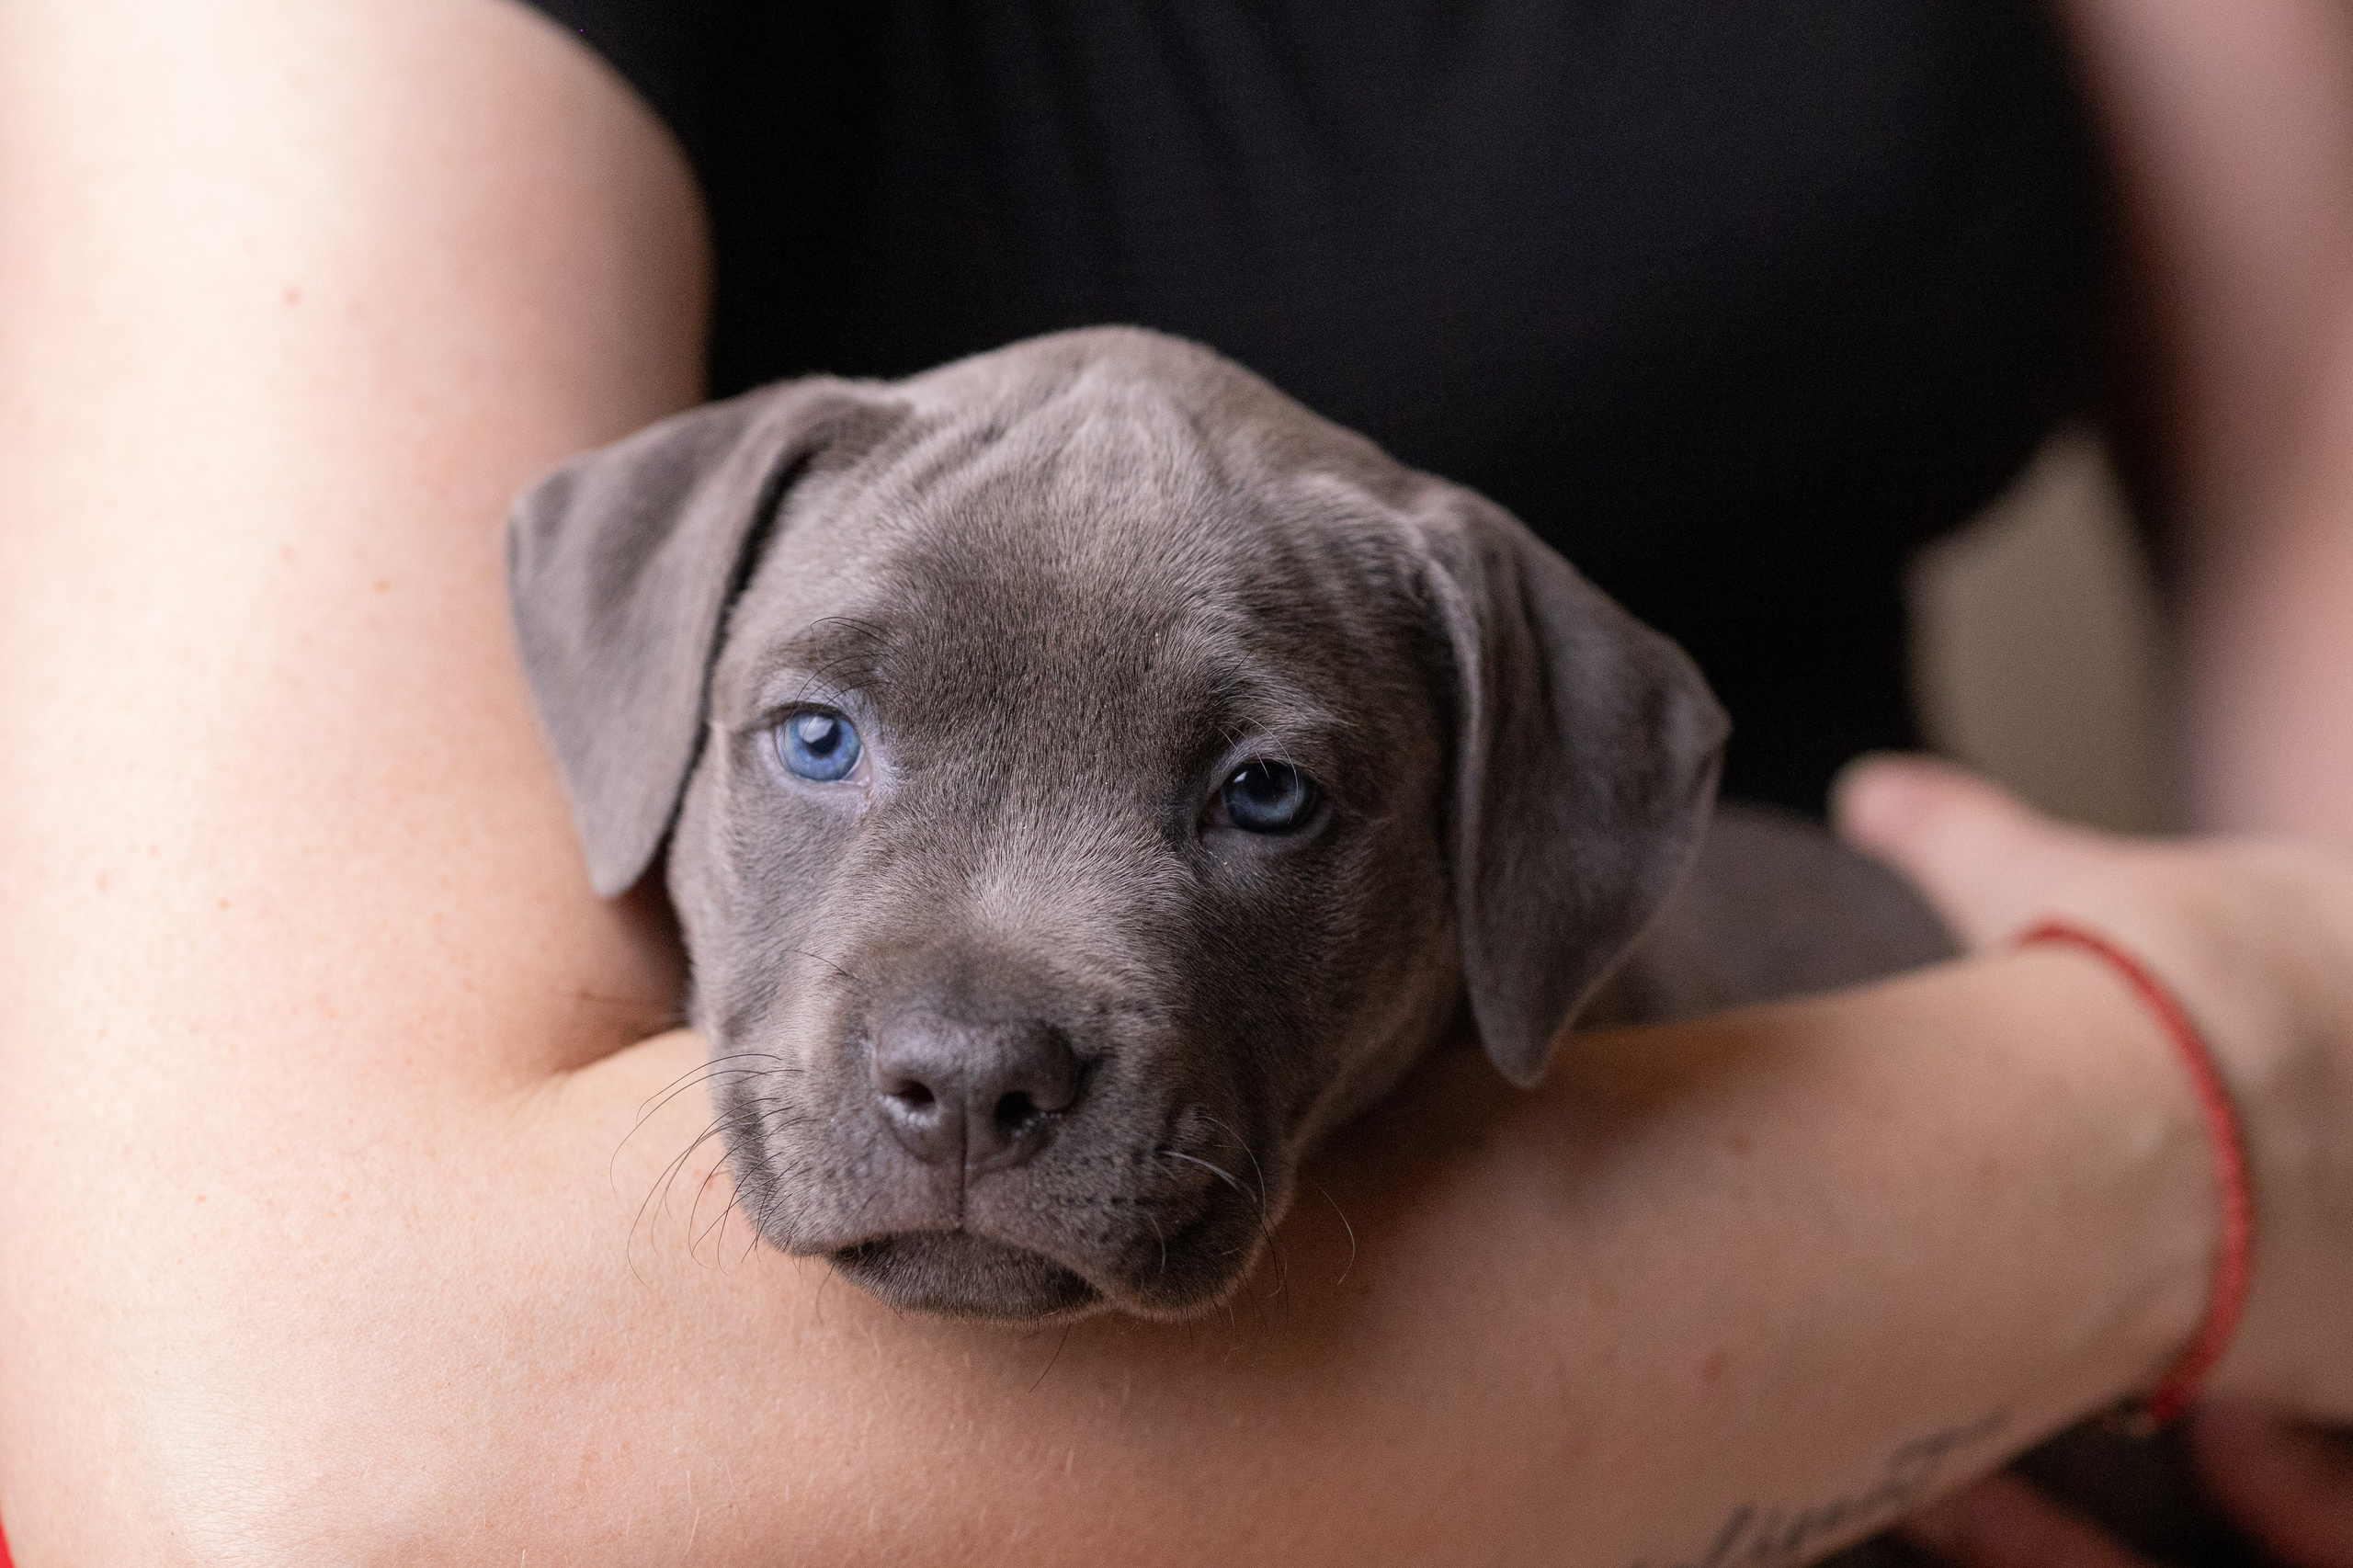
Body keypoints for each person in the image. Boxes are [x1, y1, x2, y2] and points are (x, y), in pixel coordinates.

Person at [1, 1, 2349, 1562]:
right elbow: (287, 1462)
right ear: (658, 674)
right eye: (818, 740)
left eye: (1258, 799)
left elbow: (2305, 460)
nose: (973, 1043)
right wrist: (2199, 1102)